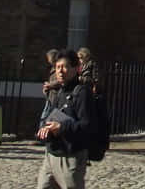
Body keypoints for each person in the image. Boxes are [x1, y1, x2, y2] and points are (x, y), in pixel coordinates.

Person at [37, 49, 94, 189]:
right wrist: (45, 128)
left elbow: (87, 126)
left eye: (65, 67)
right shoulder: (60, 91)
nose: (60, 71)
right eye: (57, 67)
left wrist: (62, 128)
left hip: (70, 157)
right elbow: (50, 116)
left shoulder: (82, 93)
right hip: (51, 155)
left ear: (77, 68)